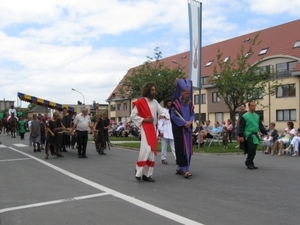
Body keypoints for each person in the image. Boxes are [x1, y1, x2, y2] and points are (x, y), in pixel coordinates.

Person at [130, 82, 165, 182]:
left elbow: (161, 111)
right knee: (146, 150)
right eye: (152, 90)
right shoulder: (140, 102)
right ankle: (138, 170)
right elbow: (133, 116)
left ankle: (147, 175)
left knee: (151, 152)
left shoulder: (155, 102)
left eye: (155, 90)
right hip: (145, 127)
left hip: (153, 128)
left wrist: (163, 115)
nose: (154, 92)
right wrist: (144, 120)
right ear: (148, 90)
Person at [170, 79, 195, 179]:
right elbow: (173, 116)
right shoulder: (176, 104)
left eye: (188, 93)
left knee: (188, 150)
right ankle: (185, 169)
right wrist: (184, 123)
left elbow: (193, 114)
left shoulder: (190, 103)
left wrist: (190, 121)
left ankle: (181, 168)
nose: (187, 95)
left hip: (188, 130)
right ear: (181, 93)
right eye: (185, 93)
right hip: (180, 130)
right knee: (182, 149)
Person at [238, 101, 267, 170]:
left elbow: (260, 126)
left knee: (253, 150)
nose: (254, 107)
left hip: (255, 134)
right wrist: (241, 135)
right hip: (248, 134)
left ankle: (251, 162)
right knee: (252, 148)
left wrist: (265, 132)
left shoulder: (257, 116)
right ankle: (248, 162)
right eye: (252, 106)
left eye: (255, 106)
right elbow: (241, 126)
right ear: (249, 106)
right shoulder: (245, 116)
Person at [158, 98, 176, 165]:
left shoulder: (172, 110)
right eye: (168, 103)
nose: (170, 104)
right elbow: (160, 121)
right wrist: (161, 130)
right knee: (164, 146)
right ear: (166, 103)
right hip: (165, 130)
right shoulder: (163, 111)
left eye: (170, 103)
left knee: (173, 146)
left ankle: (177, 158)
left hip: (171, 129)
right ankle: (163, 158)